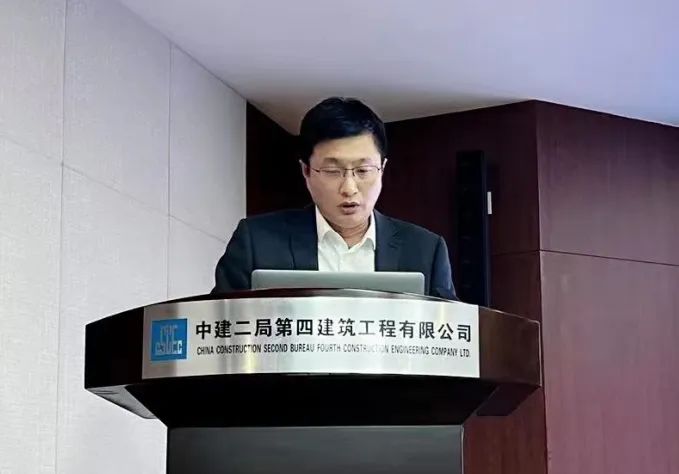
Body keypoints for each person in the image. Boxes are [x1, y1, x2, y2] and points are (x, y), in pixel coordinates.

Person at [212, 97, 457, 299]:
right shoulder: (257, 242)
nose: (349, 188)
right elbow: (216, 327)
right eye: (332, 171)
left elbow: (452, 333)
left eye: (363, 170)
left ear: (382, 168)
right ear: (306, 171)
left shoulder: (425, 250)